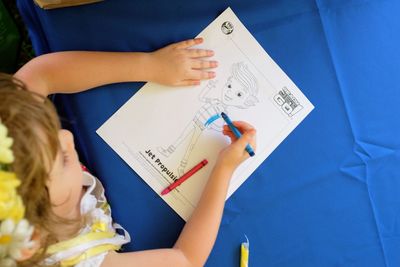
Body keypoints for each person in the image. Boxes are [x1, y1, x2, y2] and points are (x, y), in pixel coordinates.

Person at [0, 38, 257, 267]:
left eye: (54, 130)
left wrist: (150, 66)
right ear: (31, 239)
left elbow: (41, 73)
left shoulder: (11, 126)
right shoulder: (80, 260)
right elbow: (186, 260)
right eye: (64, 158)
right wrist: (224, 169)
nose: (67, 136)